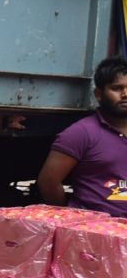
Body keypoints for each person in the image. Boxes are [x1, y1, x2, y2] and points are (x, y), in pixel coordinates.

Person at [36, 57, 127, 217]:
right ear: (99, 94)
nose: (125, 94)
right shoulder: (81, 133)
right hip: (94, 231)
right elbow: (48, 183)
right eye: (117, 88)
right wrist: (72, 217)